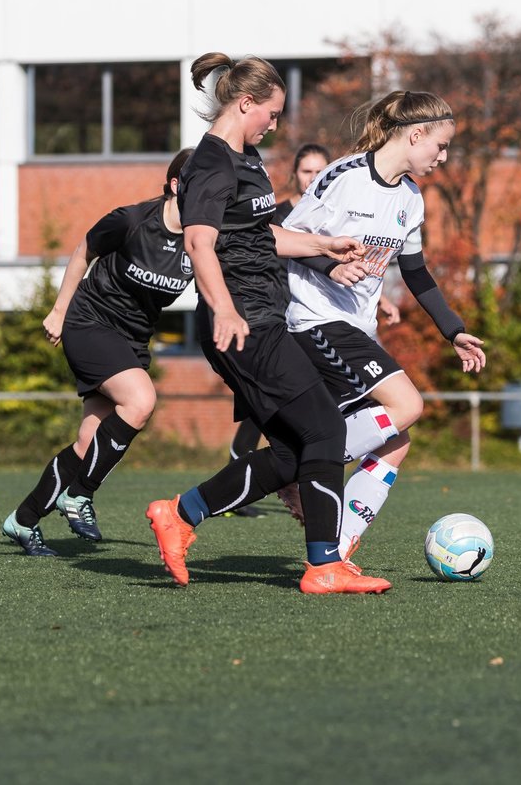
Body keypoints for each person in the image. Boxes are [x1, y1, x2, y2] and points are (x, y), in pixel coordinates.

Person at [145, 52, 391, 595]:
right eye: (272, 114)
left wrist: (324, 246)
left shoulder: (247, 159)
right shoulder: (209, 163)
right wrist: (226, 308)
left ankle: (180, 513)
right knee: (325, 428)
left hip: (263, 319)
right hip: (245, 325)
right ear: (245, 102)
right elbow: (198, 241)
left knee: (292, 451)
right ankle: (323, 565)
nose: (276, 125)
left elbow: (264, 237)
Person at [280, 89, 486, 564]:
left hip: (356, 327)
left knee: (395, 443)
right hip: (315, 318)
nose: (444, 156)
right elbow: (287, 239)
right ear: (416, 135)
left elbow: (415, 273)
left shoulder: (410, 199)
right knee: (407, 404)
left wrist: (452, 330)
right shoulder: (344, 176)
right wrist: (328, 267)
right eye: (441, 145)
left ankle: (336, 550)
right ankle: (296, 467)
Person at [1, 149, 195, 556]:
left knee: (89, 442)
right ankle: (80, 495)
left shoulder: (202, 241)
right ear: (176, 185)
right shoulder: (131, 220)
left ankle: (22, 520)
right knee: (141, 400)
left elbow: (264, 243)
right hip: (89, 322)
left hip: (133, 339)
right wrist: (58, 311)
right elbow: (82, 252)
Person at [227, 142, 400, 465]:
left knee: (314, 402)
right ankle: (247, 465)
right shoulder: (280, 217)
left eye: (320, 171)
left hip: (315, 319)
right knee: (263, 404)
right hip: (276, 315)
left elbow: (347, 265)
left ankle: (299, 465)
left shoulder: (334, 214)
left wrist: (382, 300)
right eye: (307, 171)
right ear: (295, 174)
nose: (313, 177)